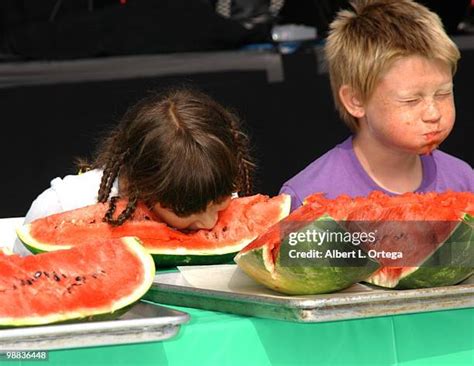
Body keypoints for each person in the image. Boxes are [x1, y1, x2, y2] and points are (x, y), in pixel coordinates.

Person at [279, 0, 474, 211]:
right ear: (356, 100)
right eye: (411, 100)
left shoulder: (464, 181)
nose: (433, 113)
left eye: (443, 93)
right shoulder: (307, 199)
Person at [14, 87, 254, 255]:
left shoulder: (210, 187)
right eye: (185, 209)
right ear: (142, 183)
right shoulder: (62, 206)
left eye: (220, 200)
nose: (209, 222)